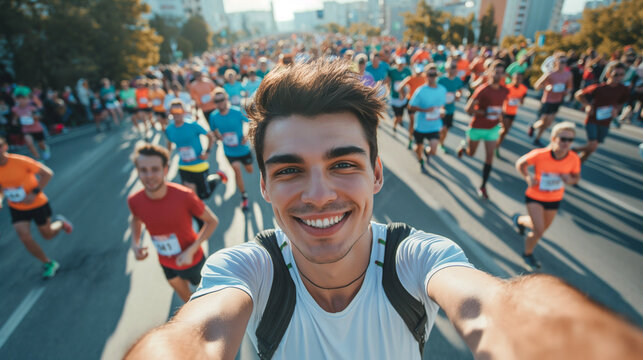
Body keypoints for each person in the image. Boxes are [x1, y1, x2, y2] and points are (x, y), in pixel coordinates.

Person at [126, 59, 643, 360]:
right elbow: (198, 334)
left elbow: (490, 304)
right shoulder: (244, 268)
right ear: (262, 184)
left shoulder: (417, 258)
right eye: (288, 170)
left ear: (377, 172)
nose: (319, 193)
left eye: (343, 164)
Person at [127, 143, 219, 302]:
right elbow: (136, 219)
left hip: (193, 260)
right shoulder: (135, 200)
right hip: (166, 262)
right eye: (143, 170)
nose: (149, 175)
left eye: (155, 169)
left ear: (165, 170)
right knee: (187, 301)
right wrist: (135, 244)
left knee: (206, 300)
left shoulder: (184, 196)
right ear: (138, 171)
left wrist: (192, 249)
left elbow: (212, 221)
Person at [0, 136, 73, 279]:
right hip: (17, 208)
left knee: (47, 235)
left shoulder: (20, 161)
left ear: (5, 147)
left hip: (38, 204)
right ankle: (48, 262)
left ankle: (61, 224)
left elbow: (47, 173)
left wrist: (33, 193)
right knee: (24, 237)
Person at [513, 122, 580, 269]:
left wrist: (570, 180)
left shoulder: (573, 158)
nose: (566, 143)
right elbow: (520, 164)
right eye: (563, 139)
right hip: (535, 196)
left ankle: (519, 220)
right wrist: (528, 177)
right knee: (539, 231)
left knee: (540, 228)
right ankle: (527, 254)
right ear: (554, 138)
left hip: (554, 199)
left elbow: (576, 177)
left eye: (570, 140)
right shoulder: (540, 155)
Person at [164, 99, 226, 225]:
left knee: (205, 195)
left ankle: (218, 177)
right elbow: (169, 144)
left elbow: (210, 135)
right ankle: (200, 222)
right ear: (170, 112)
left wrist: (207, 151)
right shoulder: (169, 129)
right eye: (173, 111)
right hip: (184, 166)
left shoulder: (192, 125)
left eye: (179, 110)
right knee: (192, 195)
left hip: (200, 165)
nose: (176, 114)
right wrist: (167, 160)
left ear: (184, 111)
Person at [457, 60, 509, 199]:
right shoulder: (482, 90)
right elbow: (468, 109)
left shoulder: (505, 91)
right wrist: (484, 113)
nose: (498, 75)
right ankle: (464, 148)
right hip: (477, 127)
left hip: (492, 129)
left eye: (501, 73)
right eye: (495, 72)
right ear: (490, 72)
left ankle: (483, 186)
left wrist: (503, 123)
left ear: (504, 75)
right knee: (471, 153)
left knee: (489, 157)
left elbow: (501, 109)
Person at [573, 62, 630, 163]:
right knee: (592, 145)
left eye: (621, 75)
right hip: (592, 119)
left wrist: (616, 111)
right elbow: (578, 95)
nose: (618, 77)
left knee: (592, 149)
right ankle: (573, 150)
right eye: (616, 74)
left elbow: (621, 102)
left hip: (606, 122)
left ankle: (576, 165)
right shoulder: (598, 88)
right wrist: (587, 106)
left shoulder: (623, 90)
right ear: (608, 74)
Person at [208, 87, 254, 211]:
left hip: (243, 149)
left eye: (221, 99)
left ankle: (245, 169)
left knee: (249, 170)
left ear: (226, 99)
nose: (220, 103)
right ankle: (244, 196)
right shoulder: (213, 116)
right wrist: (218, 136)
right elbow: (213, 130)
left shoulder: (236, 111)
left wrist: (247, 136)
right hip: (229, 151)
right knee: (236, 170)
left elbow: (251, 122)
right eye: (216, 101)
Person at [408, 63, 446, 172]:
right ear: (426, 75)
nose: (432, 77)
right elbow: (411, 106)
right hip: (420, 126)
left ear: (437, 75)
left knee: (433, 150)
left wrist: (442, 111)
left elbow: (442, 106)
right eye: (430, 74)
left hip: (435, 125)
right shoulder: (421, 90)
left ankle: (427, 152)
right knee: (418, 149)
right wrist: (425, 110)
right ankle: (421, 161)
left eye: (434, 74)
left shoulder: (442, 89)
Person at [530, 53, 573, 146]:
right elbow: (537, 85)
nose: (564, 64)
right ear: (556, 62)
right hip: (547, 100)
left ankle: (537, 138)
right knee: (543, 121)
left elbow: (569, 87)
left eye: (565, 62)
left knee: (548, 122)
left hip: (557, 100)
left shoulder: (568, 74)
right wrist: (547, 87)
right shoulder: (550, 73)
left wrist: (567, 91)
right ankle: (533, 127)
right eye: (562, 62)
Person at [11, 87, 50, 160]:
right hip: (26, 130)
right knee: (29, 144)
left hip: (37, 128)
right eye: (19, 99)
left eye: (23, 98)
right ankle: (38, 159)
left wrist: (33, 117)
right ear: (17, 100)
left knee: (41, 144)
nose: (21, 101)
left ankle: (45, 149)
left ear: (26, 99)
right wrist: (15, 121)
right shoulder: (15, 109)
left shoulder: (31, 107)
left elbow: (39, 116)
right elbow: (15, 117)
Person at [496, 71, 528, 158]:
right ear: (512, 79)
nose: (518, 80)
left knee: (506, 130)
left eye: (520, 79)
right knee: (504, 130)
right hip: (504, 111)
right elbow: (501, 99)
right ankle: (496, 146)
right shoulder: (507, 88)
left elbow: (522, 100)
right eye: (516, 78)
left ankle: (497, 137)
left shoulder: (523, 88)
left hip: (513, 112)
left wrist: (519, 100)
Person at [437, 59, 465, 153]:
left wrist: (458, 95)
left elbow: (460, 90)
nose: (454, 69)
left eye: (455, 67)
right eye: (452, 67)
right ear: (446, 69)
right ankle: (434, 140)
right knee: (442, 128)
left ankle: (441, 143)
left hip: (451, 109)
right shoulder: (441, 80)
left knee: (446, 130)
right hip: (440, 109)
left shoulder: (457, 80)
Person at [399, 64, 428, 149]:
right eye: (417, 72)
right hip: (412, 103)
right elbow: (401, 86)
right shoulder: (411, 78)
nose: (419, 74)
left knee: (420, 123)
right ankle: (410, 139)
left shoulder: (425, 78)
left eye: (420, 72)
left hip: (421, 103)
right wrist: (403, 95)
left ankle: (418, 140)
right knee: (412, 122)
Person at [388, 57, 412, 132]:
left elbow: (410, 82)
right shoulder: (392, 71)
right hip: (394, 97)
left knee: (401, 115)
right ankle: (395, 126)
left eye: (402, 64)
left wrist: (406, 93)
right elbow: (388, 80)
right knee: (397, 115)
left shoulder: (407, 71)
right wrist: (388, 89)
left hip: (403, 97)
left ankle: (399, 121)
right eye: (399, 64)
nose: (400, 65)